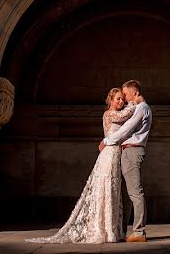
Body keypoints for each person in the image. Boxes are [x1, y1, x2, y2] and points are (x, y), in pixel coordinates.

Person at [27, 87, 136, 244]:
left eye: (122, 99)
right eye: (118, 98)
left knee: (112, 190)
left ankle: (110, 229)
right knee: (106, 188)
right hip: (109, 155)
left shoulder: (116, 115)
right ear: (110, 100)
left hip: (115, 154)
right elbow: (125, 114)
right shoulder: (110, 114)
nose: (121, 101)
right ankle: (102, 229)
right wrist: (134, 102)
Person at [100, 80, 152, 243]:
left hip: (132, 150)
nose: (125, 99)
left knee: (135, 192)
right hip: (126, 151)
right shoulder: (138, 108)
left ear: (135, 93)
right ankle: (121, 229)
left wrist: (107, 140)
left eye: (126, 95)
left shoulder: (141, 108)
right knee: (124, 193)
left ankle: (139, 231)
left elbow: (126, 128)